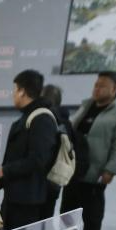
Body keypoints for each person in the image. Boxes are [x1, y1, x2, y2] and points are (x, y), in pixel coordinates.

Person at [60, 71, 116, 230]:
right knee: (68, 207)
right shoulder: (87, 105)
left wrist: (111, 170)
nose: (97, 88)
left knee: (92, 211)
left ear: (115, 88)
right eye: (96, 84)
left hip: (96, 171)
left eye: (102, 86)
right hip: (74, 168)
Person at [0, 69, 58, 230]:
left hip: (27, 202)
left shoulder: (42, 120)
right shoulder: (28, 116)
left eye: (15, 89)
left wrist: (3, 171)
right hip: (15, 196)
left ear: (22, 91)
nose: (13, 94)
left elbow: (37, 160)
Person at [38, 84, 77, 220]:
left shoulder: (42, 120)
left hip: (40, 180)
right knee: (46, 217)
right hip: (56, 177)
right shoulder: (66, 123)